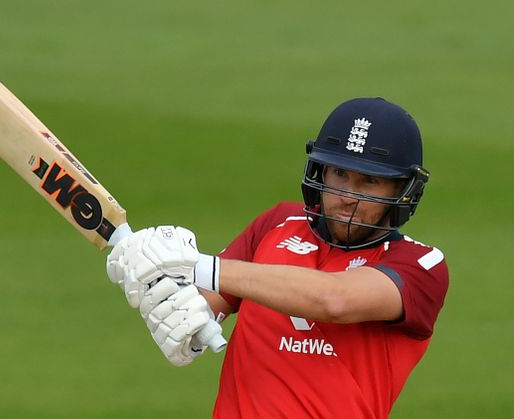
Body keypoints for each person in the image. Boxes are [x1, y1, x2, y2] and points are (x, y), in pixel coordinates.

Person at [106, 97, 449, 418]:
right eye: (340, 174)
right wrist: (155, 277)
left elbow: (333, 299)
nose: (347, 196)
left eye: (369, 181)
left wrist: (193, 265)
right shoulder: (279, 223)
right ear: (320, 172)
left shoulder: (420, 266)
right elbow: (200, 303)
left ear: (403, 190)